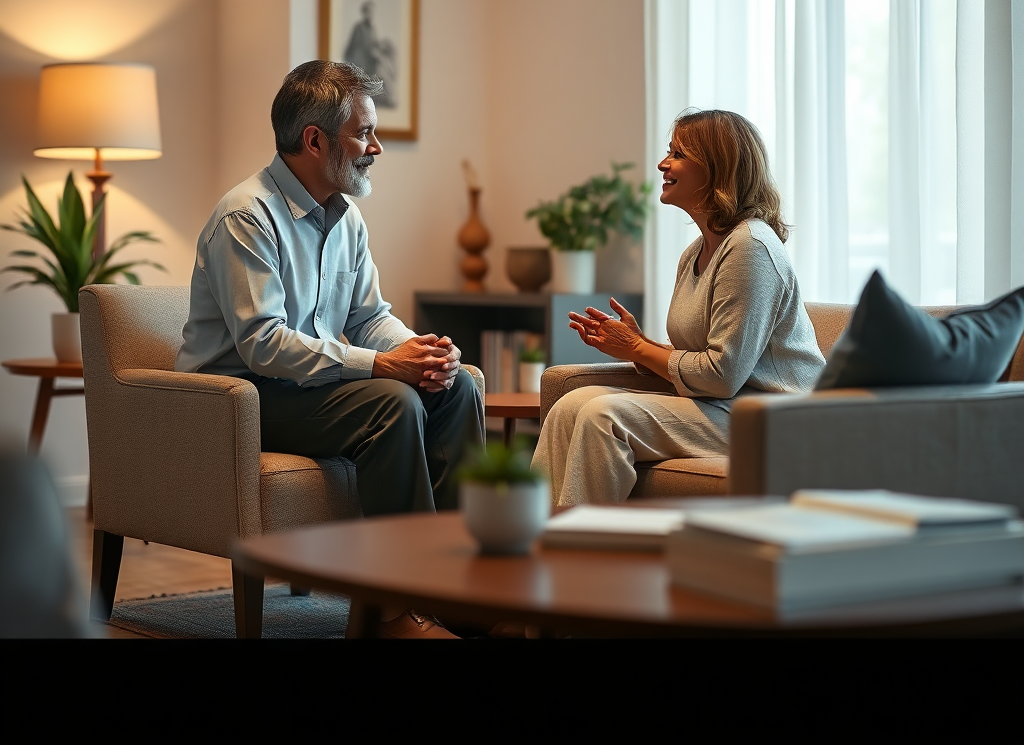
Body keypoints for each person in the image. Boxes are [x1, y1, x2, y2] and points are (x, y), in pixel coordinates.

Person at [176, 59, 484, 637]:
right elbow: (264, 346)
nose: (377, 148)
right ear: (315, 141)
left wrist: (420, 352)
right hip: (239, 399)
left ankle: (463, 597)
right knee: (393, 403)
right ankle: (397, 611)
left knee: (458, 386)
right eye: (364, 132)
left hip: (305, 389)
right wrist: (385, 368)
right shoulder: (246, 215)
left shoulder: (348, 218)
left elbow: (370, 317)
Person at [532, 109, 825, 506]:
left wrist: (638, 349)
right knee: (571, 404)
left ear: (718, 168)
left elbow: (722, 375)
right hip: (722, 407)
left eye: (678, 153)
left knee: (604, 415)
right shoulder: (696, 253)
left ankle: (585, 553)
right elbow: (705, 361)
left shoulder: (750, 248)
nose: (662, 163)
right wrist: (638, 344)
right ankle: (534, 540)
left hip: (772, 418)